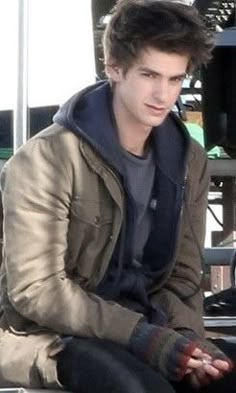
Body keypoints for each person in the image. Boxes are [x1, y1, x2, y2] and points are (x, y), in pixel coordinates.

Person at [0, 1, 235, 392]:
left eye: (175, 79)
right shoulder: (47, 158)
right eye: (149, 75)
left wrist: (187, 344)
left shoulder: (188, 158)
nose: (163, 94)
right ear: (114, 68)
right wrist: (144, 338)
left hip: (144, 325)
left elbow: (182, 276)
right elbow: (37, 290)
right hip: (49, 335)